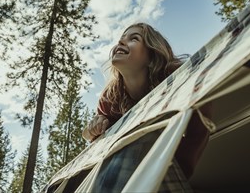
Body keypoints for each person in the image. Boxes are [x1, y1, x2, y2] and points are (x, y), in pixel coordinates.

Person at [82, 22, 210, 192]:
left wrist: (176, 166)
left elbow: (199, 126)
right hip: (123, 178)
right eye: (120, 39)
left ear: (152, 55)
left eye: (133, 38)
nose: (120, 43)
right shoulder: (110, 97)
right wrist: (92, 131)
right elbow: (93, 138)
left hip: (163, 169)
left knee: (138, 138)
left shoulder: (177, 78)